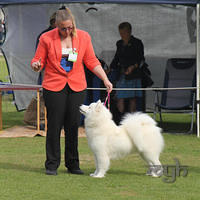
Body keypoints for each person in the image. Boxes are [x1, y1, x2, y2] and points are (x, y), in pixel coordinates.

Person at [31, 8, 113, 176]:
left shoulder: (83, 37)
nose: (67, 31)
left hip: (76, 85)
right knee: (54, 125)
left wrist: (105, 79)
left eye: (70, 27)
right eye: (63, 28)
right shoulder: (46, 38)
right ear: (56, 25)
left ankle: (73, 164)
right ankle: (52, 164)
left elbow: (91, 60)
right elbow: (37, 60)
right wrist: (36, 65)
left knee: (73, 125)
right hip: (54, 86)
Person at [110, 22, 144, 124]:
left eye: (124, 32)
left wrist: (133, 67)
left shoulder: (137, 43)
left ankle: (132, 123)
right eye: (120, 33)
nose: (122, 35)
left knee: (132, 99)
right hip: (122, 74)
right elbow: (116, 58)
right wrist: (110, 68)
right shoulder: (119, 43)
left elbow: (141, 59)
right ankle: (120, 122)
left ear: (129, 31)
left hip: (134, 75)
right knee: (120, 97)